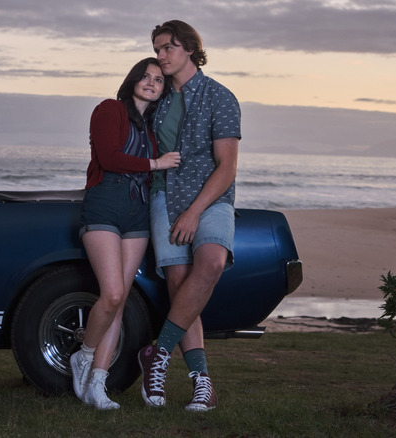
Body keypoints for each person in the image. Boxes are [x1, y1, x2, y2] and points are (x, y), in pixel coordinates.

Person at [137, 20, 241, 412]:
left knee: (211, 263)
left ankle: (157, 354)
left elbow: (226, 166)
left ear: (189, 50)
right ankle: (202, 383)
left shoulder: (220, 97)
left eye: (167, 48)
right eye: (157, 48)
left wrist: (195, 212)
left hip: (210, 201)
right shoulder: (156, 99)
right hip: (164, 199)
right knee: (181, 291)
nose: (160, 55)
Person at [70, 57, 182, 410]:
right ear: (133, 79)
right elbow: (108, 157)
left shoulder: (151, 129)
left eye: (159, 80)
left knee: (120, 305)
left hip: (137, 211)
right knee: (114, 294)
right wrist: (156, 163)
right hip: (105, 203)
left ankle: (98, 384)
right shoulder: (109, 109)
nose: (151, 82)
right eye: (145, 77)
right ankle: (84, 356)